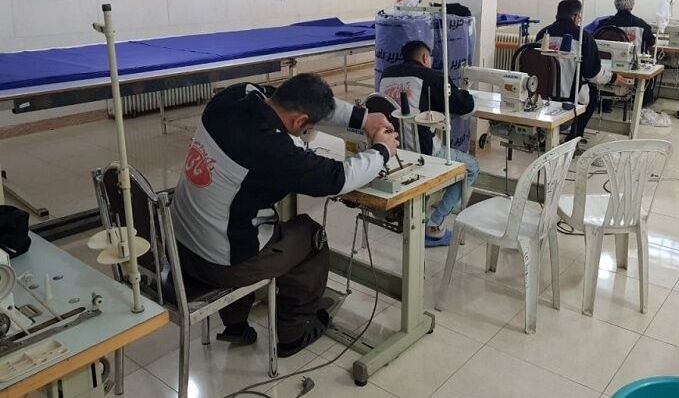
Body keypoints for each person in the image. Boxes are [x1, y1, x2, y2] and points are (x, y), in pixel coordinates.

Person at [171, 74, 398, 357]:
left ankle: (236, 324)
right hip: (219, 264)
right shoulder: (273, 149)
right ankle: (294, 333)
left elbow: (306, 103)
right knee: (310, 236)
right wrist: (382, 151)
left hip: (181, 247)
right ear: (300, 121)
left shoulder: (234, 96)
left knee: (254, 222)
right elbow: (337, 178)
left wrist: (363, 119)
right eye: (309, 127)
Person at [379, 41, 480, 247]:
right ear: (425, 58)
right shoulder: (432, 77)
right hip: (423, 154)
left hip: (393, 151)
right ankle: (434, 224)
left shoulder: (386, 76)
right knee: (471, 167)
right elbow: (464, 105)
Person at [535, 0, 626, 139]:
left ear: (557, 14)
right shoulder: (584, 38)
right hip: (572, 97)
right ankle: (574, 136)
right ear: (575, 16)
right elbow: (593, 74)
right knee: (593, 94)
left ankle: (543, 136)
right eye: (579, 17)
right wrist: (613, 78)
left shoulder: (542, 35)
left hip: (544, 94)